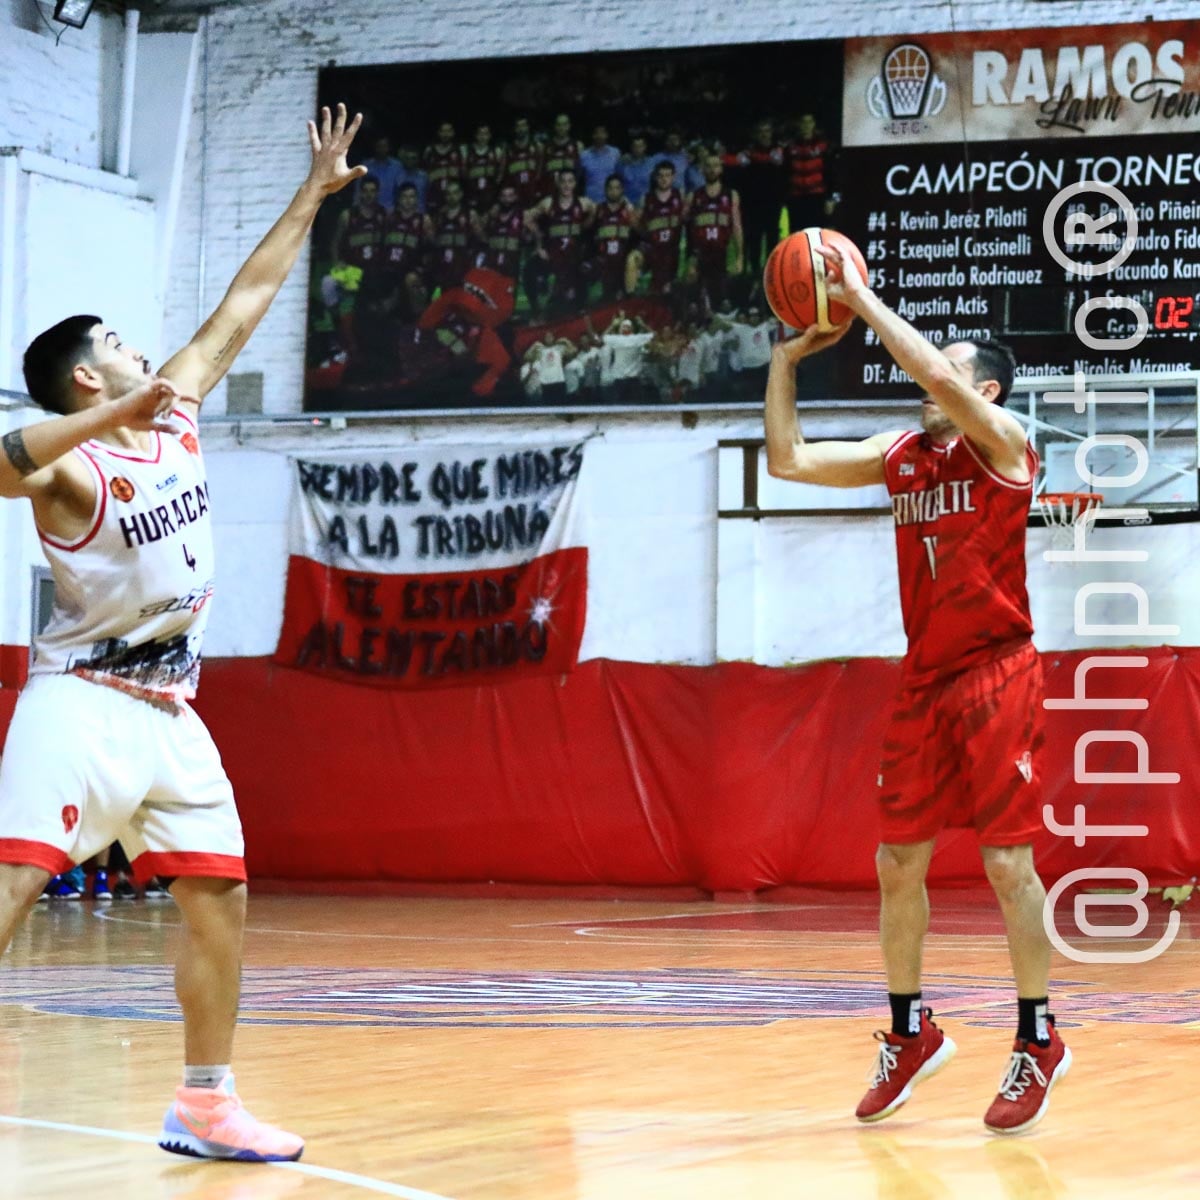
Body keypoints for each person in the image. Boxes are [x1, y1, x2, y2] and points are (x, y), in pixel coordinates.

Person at [0, 101, 369, 1163]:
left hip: (171, 709)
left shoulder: (172, 411)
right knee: (17, 880)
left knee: (220, 892)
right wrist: (104, 423)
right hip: (79, 699)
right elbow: (1, 460)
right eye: (113, 342)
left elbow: (247, 301)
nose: (135, 343)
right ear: (86, 378)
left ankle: (205, 1104)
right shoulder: (78, 463)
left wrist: (311, 192)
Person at [762, 241, 1069, 1136]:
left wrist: (856, 295)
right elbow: (789, 462)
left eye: (954, 379)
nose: (926, 387)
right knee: (897, 864)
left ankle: (1038, 1037)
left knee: (1009, 864)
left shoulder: (1007, 447)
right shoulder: (901, 455)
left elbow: (929, 364)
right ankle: (910, 1031)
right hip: (925, 683)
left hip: (998, 672)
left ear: (987, 395)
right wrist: (783, 362)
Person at [525, 167, 594, 316]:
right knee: (530, 268)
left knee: (574, 301)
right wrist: (538, 242)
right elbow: (526, 217)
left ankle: (581, 307)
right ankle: (537, 309)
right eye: (563, 182)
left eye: (570, 181)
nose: (566, 185)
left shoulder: (584, 203)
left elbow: (598, 214)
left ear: (575, 183)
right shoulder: (548, 203)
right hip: (552, 257)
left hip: (574, 258)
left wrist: (584, 226)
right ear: (558, 183)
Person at [688, 153, 743, 309]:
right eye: (709, 166)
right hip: (701, 254)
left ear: (721, 169)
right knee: (699, 303)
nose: (712, 170)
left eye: (716, 166)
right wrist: (690, 258)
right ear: (703, 170)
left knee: (723, 301)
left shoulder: (731, 195)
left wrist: (739, 256)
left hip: (723, 253)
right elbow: (688, 230)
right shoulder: (694, 196)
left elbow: (737, 226)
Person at [628, 160, 685, 296]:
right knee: (633, 260)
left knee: (670, 288)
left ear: (673, 177)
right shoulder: (646, 198)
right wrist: (646, 234)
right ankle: (630, 300)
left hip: (673, 248)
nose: (664, 179)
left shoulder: (680, 196)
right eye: (661, 175)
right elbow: (633, 220)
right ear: (655, 177)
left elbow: (687, 218)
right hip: (653, 247)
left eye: (667, 175)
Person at [785, 112, 836, 236]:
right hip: (797, 199)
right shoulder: (790, 147)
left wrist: (830, 197)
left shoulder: (824, 145)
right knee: (798, 235)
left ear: (814, 124)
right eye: (803, 122)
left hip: (817, 197)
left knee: (817, 234)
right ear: (798, 125)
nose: (806, 126)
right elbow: (785, 174)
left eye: (809, 122)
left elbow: (831, 173)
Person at [590, 174, 637, 303]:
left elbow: (638, 233)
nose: (614, 191)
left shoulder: (629, 211)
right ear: (605, 190)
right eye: (610, 188)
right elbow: (588, 234)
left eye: (617, 188)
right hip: (602, 264)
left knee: (622, 302)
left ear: (622, 190)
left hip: (622, 264)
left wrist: (632, 214)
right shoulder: (598, 210)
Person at [422, 120, 464, 214]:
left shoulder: (460, 151)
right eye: (443, 131)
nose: (446, 134)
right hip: (434, 198)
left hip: (453, 199)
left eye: (449, 131)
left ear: (453, 133)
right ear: (438, 133)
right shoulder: (429, 151)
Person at [463, 122, 504, 214]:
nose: (483, 137)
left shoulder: (497, 152)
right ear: (476, 135)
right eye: (480, 134)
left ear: (490, 136)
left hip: (490, 196)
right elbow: (463, 175)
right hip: (472, 196)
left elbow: (500, 176)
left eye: (485, 134)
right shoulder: (466, 151)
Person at [353, 134, 403, 209]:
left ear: (388, 148)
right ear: (375, 148)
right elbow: (358, 190)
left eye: (384, 146)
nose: (382, 149)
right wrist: (355, 208)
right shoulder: (365, 165)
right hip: (368, 210)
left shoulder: (397, 166)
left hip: (390, 211)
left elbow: (400, 190)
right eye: (379, 146)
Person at [579, 124, 621, 204]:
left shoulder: (615, 153)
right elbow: (579, 180)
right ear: (592, 136)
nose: (599, 136)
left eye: (602, 133)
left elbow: (620, 177)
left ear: (607, 135)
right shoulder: (584, 155)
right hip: (590, 201)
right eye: (596, 133)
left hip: (611, 200)